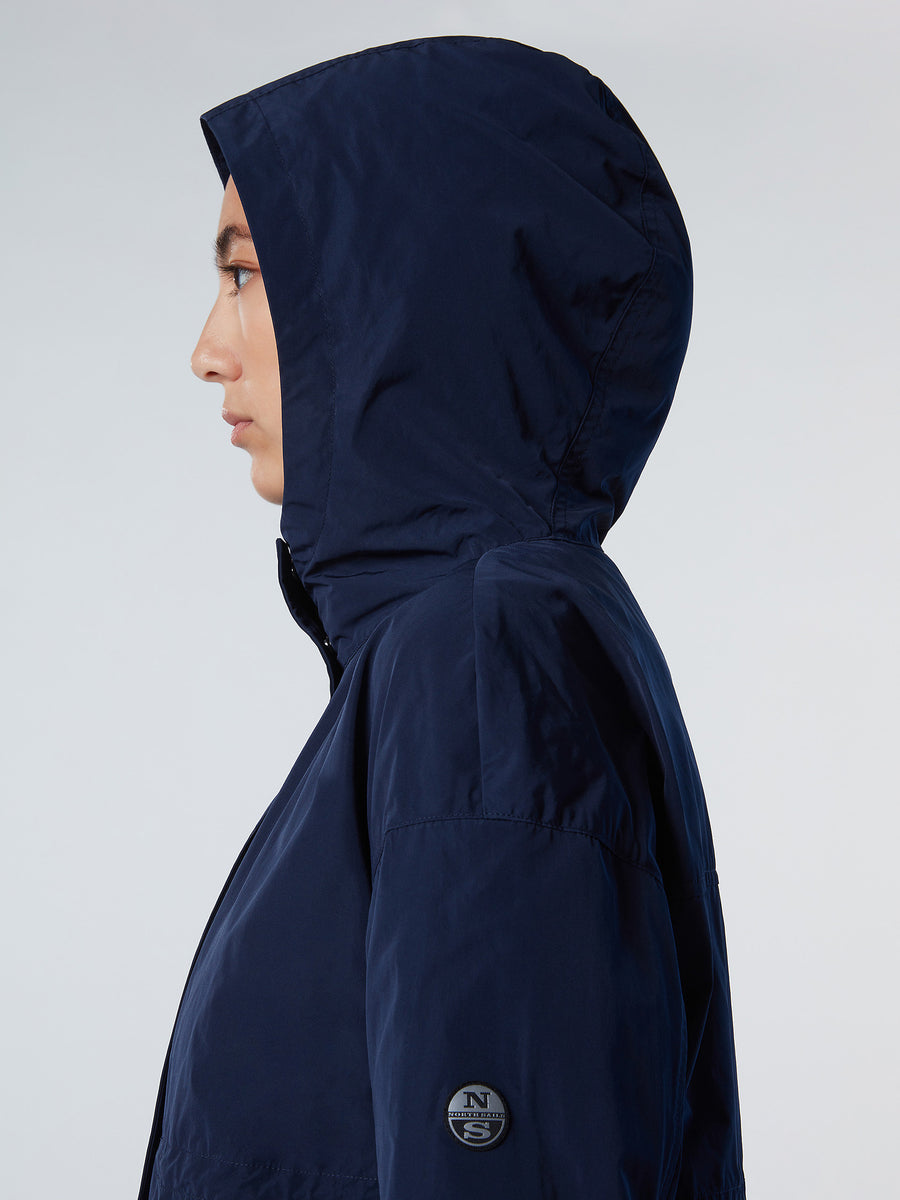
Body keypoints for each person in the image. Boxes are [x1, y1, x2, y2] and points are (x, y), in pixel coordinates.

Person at [138, 33, 747, 1200]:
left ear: (406, 286)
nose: (208, 353)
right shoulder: (482, 639)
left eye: (246, 274)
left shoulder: (481, 657)